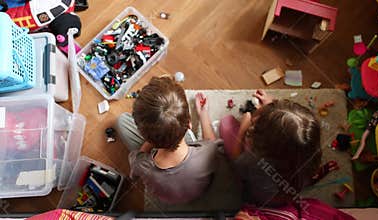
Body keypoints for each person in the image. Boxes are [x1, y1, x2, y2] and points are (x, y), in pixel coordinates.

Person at [220, 90, 355, 219]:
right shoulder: (304, 153)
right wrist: (272, 108)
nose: (252, 125)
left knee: (227, 124)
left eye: (253, 128)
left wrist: (242, 129)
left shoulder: (253, 161)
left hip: (260, 199)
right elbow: (288, 132)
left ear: (258, 145)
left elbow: (236, 160)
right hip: (287, 193)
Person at [115, 77, 220, 205]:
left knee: (121, 121)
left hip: (164, 199)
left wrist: (151, 141)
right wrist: (203, 113)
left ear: (145, 137)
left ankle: (158, 134)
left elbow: (136, 162)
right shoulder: (209, 152)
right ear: (189, 124)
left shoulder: (142, 165)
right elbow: (210, 141)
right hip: (197, 190)